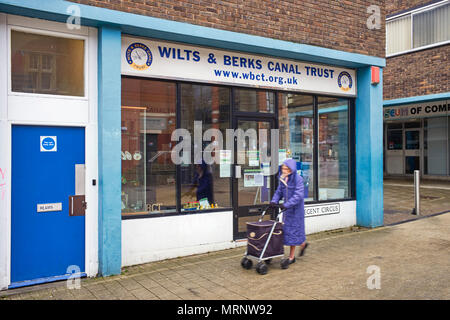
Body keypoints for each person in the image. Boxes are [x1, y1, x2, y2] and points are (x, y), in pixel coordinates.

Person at [270, 158, 308, 268]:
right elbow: (279, 192)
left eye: (286, 169)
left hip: (296, 210)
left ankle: (291, 257)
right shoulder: (282, 179)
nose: (284, 170)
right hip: (287, 210)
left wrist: (286, 204)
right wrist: (274, 201)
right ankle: (303, 244)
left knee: (293, 231)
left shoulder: (298, 179)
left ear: (291, 169)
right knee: (288, 231)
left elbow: (298, 195)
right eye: (283, 168)